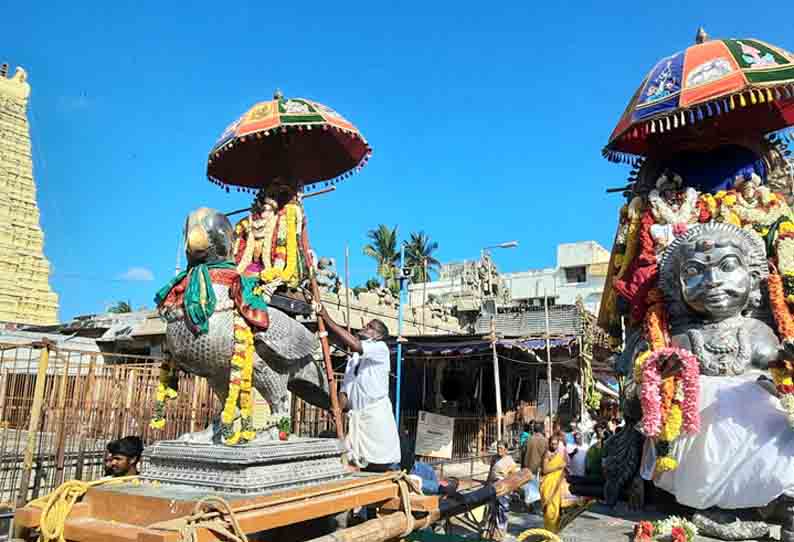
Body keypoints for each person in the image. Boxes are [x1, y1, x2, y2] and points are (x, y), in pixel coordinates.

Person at [318, 309, 401, 471]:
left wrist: (327, 318)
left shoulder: (380, 348)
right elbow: (346, 389)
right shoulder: (353, 358)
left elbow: (355, 345)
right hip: (357, 419)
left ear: (377, 335)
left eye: (369, 326)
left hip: (375, 418)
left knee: (377, 465)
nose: (364, 327)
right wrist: (337, 409)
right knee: (353, 464)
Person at [488, 440, 519, 541]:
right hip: (493, 487)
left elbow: (514, 476)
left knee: (502, 511)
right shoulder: (494, 458)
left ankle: (500, 534)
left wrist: (511, 488)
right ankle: (491, 532)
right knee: (492, 510)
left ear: (506, 449)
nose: (499, 450)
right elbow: (490, 471)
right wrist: (487, 483)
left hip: (504, 488)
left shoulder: (510, 461)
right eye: (498, 448)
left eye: (501, 448)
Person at [521, 421, 546, 513]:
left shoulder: (528, 439)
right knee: (538, 488)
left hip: (528, 467)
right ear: (542, 429)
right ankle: (537, 507)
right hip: (539, 468)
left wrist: (522, 466)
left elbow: (522, 454)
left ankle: (529, 506)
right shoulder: (545, 441)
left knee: (529, 488)